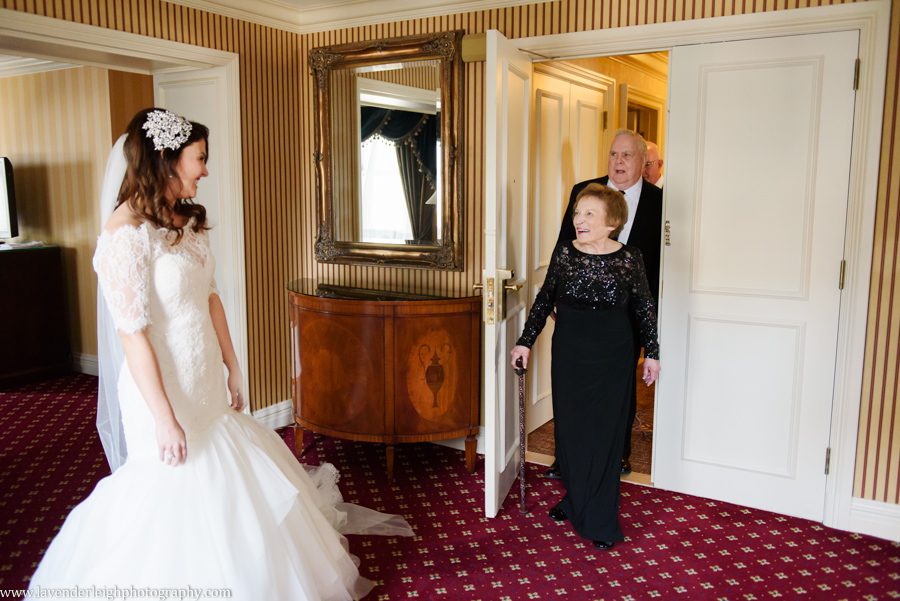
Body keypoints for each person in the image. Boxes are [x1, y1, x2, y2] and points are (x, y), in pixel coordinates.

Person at [28, 108, 413, 600]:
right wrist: (165, 418)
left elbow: (209, 296)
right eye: (200, 158)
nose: (206, 170)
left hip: (204, 375)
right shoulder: (124, 233)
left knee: (230, 485)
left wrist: (233, 364)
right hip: (160, 390)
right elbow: (133, 335)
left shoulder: (185, 220)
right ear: (167, 159)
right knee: (174, 495)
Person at [510, 184, 660, 550]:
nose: (579, 220)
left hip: (614, 357)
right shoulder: (565, 254)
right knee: (573, 432)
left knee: (605, 436)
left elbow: (644, 307)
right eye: (578, 213)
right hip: (570, 355)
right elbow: (545, 300)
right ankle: (575, 499)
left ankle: (600, 518)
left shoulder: (630, 258)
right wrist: (525, 341)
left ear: (612, 222)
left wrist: (652, 353)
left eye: (589, 214)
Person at [544, 129, 662, 479]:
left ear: (644, 161)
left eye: (627, 155)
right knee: (571, 386)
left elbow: (656, 266)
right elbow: (562, 247)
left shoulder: (660, 203)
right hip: (577, 310)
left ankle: (618, 454)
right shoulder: (585, 191)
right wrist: (553, 295)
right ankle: (564, 456)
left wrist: (649, 322)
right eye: (613, 154)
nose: (619, 162)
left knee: (619, 389)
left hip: (624, 317)